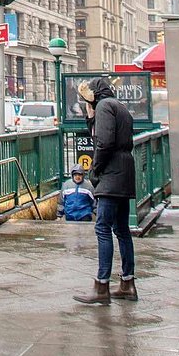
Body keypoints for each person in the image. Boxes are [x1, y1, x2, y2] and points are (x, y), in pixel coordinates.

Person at [73, 77, 137, 305]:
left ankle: (102, 286)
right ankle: (127, 283)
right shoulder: (118, 107)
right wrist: (90, 117)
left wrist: (95, 169)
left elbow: (104, 142)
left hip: (111, 175)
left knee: (102, 228)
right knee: (122, 230)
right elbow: (103, 135)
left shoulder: (103, 106)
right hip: (124, 173)